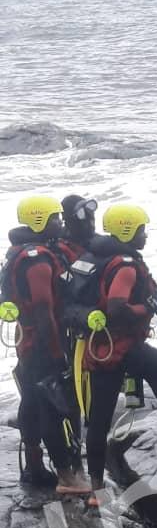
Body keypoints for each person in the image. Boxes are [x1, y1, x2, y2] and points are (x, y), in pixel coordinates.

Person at [78, 204, 157, 502]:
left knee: (99, 419)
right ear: (127, 230)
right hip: (126, 349)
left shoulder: (96, 257)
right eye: (142, 229)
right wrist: (148, 307)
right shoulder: (127, 265)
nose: (146, 235)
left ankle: (96, 488)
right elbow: (117, 308)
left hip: (100, 350)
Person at [2, 196, 89, 492]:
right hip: (41, 343)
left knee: (31, 400)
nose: (60, 223)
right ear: (39, 221)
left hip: (27, 342)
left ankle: (35, 466)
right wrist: (56, 352)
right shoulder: (37, 260)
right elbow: (43, 309)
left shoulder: (23, 252)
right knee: (51, 408)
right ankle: (67, 475)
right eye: (54, 218)